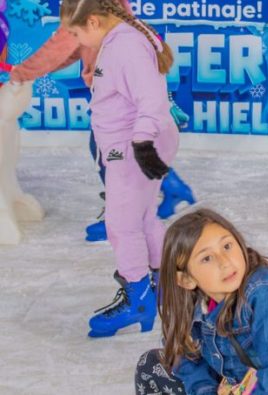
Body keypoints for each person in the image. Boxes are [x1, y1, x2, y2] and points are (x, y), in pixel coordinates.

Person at [8, 0, 195, 242]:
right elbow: (72, 45)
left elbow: (60, 46)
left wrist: (20, 73)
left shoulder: (84, 7)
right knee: (119, 150)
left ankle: (123, 216)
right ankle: (171, 189)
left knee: (110, 151)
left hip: (115, 95)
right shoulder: (105, 16)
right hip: (122, 94)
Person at [59, 0, 179, 337]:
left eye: (77, 32)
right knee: (142, 218)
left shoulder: (125, 47)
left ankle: (138, 297)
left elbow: (151, 100)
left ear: (94, 22)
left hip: (133, 147)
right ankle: (164, 286)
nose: (77, 39)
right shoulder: (117, 40)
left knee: (121, 224)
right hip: (128, 145)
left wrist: (141, 144)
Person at [135, 208, 268, 395]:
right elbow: (186, 359)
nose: (225, 262)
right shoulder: (194, 304)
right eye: (207, 258)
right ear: (186, 279)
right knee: (152, 366)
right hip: (240, 386)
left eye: (227, 246)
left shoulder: (264, 294)